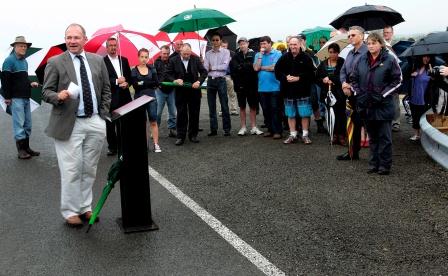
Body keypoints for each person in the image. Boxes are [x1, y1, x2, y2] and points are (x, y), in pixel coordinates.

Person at [42, 23, 111, 226]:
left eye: (76, 37)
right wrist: (58, 96)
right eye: (68, 37)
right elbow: (46, 92)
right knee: (71, 169)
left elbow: (106, 89)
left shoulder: (98, 60)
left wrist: (103, 114)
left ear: (85, 39)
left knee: (89, 168)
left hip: (95, 121)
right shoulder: (55, 62)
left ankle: (85, 208)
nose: (71, 41)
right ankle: (70, 211)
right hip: (68, 123)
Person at [350, 32, 402, 175]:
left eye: (374, 43)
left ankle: (384, 166)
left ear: (380, 44)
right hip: (366, 105)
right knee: (372, 137)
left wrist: (382, 95)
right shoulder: (361, 60)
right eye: (369, 43)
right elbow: (353, 78)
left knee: (384, 137)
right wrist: (359, 93)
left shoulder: (390, 60)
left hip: (383, 105)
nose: (371, 46)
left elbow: (397, 81)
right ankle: (373, 164)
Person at [1, 36, 40, 159]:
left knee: (27, 124)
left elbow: (23, 78)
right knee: (19, 124)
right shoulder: (9, 61)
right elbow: (5, 80)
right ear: (15, 47)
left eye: (25, 46)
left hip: (25, 97)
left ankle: (27, 148)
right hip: (15, 98)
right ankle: (21, 151)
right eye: (21, 46)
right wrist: (7, 97)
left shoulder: (24, 61)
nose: (23, 48)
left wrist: (30, 83)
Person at [274, 36, 315, 144]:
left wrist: (299, 78)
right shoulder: (284, 57)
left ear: (300, 44)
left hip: (303, 91)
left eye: (295, 44)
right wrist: (285, 77)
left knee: (304, 114)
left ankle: (305, 135)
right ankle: (293, 134)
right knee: (290, 114)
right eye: (291, 44)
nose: (293, 46)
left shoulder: (306, 58)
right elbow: (277, 71)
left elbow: (311, 74)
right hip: (288, 91)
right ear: (289, 45)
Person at [165, 43, 207, 145]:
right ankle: (180, 136)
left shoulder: (196, 59)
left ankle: (193, 135)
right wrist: (174, 80)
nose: (187, 56)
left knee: (194, 113)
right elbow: (167, 74)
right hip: (180, 92)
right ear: (180, 51)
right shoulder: (173, 60)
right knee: (181, 113)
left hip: (194, 91)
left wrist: (199, 81)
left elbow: (204, 72)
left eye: (188, 54)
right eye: (184, 54)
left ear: (191, 51)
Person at [337, 26, 368, 161]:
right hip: (350, 94)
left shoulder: (367, 52)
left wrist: (352, 86)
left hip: (363, 94)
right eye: (349, 36)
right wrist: (344, 83)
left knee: (368, 124)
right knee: (352, 123)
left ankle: (377, 157)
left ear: (361, 36)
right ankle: (352, 152)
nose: (350, 38)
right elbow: (343, 70)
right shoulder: (349, 53)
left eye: (353, 35)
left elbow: (365, 74)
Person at [103, 37, 132, 156]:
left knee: (124, 123)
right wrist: (116, 81)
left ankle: (123, 145)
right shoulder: (102, 62)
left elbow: (129, 77)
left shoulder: (123, 60)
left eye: (115, 45)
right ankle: (112, 147)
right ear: (107, 47)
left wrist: (127, 83)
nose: (113, 47)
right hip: (110, 98)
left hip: (125, 97)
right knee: (110, 125)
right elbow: (103, 80)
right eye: (110, 45)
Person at [229, 37, 263, 136]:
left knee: (253, 107)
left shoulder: (254, 54)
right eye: (240, 44)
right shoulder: (236, 56)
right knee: (242, 107)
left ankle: (253, 127)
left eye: (244, 43)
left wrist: (243, 66)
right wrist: (246, 66)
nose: (242, 45)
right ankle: (243, 127)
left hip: (252, 85)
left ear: (247, 44)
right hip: (240, 86)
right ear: (239, 45)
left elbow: (254, 68)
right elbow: (234, 69)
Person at [131, 48, 161, 153]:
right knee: (141, 122)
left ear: (148, 57)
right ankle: (144, 144)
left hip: (151, 98)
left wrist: (142, 82)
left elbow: (157, 83)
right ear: (138, 57)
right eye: (142, 57)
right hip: (139, 99)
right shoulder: (134, 70)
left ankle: (156, 144)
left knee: (153, 121)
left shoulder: (152, 68)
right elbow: (135, 86)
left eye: (146, 57)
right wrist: (149, 82)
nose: (144, 59)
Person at [253, 36, 283, 139]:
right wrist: (260, 56)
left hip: (275, 87)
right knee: (266, 110)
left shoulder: (277, 53)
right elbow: (256, 68)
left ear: (270, 43)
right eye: (261, 44)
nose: (263, 46)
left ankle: (277, 131)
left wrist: (263, 68)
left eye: (265, 43)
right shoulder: (258, 55)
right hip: (262, 87)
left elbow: (274, 67)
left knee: (275, 109)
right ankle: (270, 130)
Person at [317, 43, 346, 145]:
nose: (332, 54)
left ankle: (342, 135)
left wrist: (331, 79)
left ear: (338, 52)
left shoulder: (342, 62)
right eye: (330, 52)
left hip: (340, 93)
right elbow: (317, 77)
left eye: (335, 52)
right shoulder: (323, 63)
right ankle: (333, 135)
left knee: (341, 114)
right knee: (330, 114)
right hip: (327, 93)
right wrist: (323, 80)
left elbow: (345, 76)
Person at [204, 33, 232, 136]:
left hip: (221, 80)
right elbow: (206, 68)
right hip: (210, 81)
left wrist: (213, 67)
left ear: (220, 41)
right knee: (211, 106)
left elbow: (224, 67)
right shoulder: (207, 54)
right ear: (211, 41)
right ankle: (213, 129)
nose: (215, 42)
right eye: (213, 40)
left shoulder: (226, 52)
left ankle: (227, 129)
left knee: (224, 105)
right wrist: (210, 66)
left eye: (217, 40)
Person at [409, 55, 434, 141]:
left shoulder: (431, 69)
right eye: (424, 57)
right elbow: (408, 79)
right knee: (415, 116)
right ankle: (417, 134)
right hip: (414, 97)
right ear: (420, 57)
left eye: (428, 57)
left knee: (425, 118)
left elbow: (435, 83)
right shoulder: (415, 67)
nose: (426, 58)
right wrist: (411, 75)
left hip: (425, 99)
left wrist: (433, 76)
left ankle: (426, 136)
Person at [154, 45, 177, 138]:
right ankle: (155, 129)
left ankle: (172, 129)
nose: (166, 55)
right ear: (160, 53)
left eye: (167, 54)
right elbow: (153, 76)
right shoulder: (156, 63)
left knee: (172, 111)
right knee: (158, 112)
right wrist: (156, 85)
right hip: (160, 90)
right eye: (164, 53)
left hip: (171, 90)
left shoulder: (172, 62)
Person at [383, 26, 401, 132]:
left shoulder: (394, 46)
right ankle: (388, 121)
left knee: (395, 101)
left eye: (388, 32)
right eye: (384, 32)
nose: (386, 34)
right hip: (384, 79)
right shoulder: (382, 45)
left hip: (394, 78)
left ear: (392, 33)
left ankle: (396, 122)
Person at [221, 39, 238, 116]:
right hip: (220, 76)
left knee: (232, 93)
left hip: (229, 75)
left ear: (227, 46)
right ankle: (222, 110)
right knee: (222, 94)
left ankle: (233, 110)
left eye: (225, 46)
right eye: (222, 46)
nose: (224, 47)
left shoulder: (232, 54)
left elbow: (235, 65)